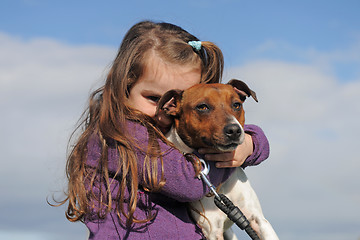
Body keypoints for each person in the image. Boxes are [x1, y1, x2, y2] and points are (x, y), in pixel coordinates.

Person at [59, 21, 270, 239]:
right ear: (124, 86)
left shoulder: (161, 134)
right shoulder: (122, 134)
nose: (165, 111)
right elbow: (190, 182)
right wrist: (232, 151)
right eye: (153, 98)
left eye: (176, 101)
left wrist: (252, 142)